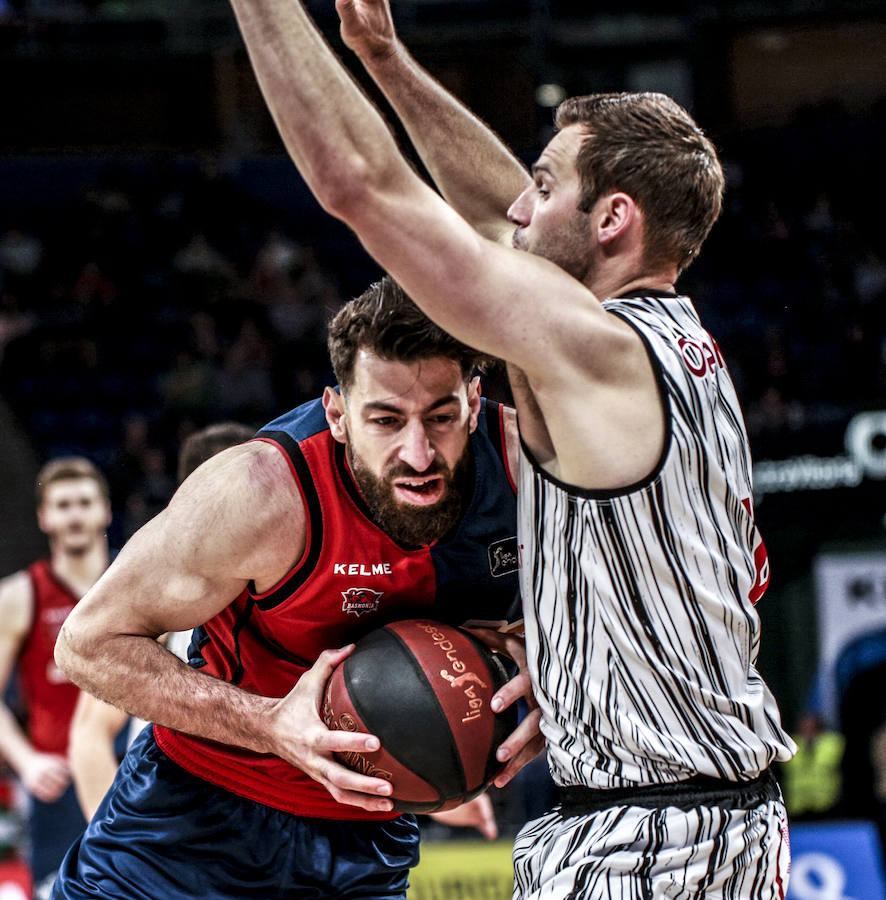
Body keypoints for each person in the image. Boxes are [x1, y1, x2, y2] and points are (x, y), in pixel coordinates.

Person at [223, 0, 798, 894]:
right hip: (699, 814)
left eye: (544, 181)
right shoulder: (661, 338)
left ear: (611, 219)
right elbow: (504, 224)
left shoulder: (598, 353)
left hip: (650, 838)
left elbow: (359, 187)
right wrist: (384, 57)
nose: (519, 204)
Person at [51, 279, 538, 899]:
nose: (417, 453)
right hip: (193, 815)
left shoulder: (533, 471)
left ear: (474, 400)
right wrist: (271, 723)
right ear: (337, 413)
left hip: (367, 836)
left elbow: (639, 611)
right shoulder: (260, 492)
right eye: (385, 419)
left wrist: (546, 663)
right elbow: (86, 645)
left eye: (440, 417)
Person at [67, 421, 255, 822]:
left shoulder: (299, 589)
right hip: (171, 824)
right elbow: (89, 734)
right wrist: (113, 843)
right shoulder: (161, 590)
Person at [0, 458, 111, 899]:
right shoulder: (18, 594)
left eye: (85, 502)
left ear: (105, 510)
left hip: (127, 770)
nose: (76, 514)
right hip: (56, 780)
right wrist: (26, 761)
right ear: (44, 517)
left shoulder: (139, 582)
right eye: (63, 505)